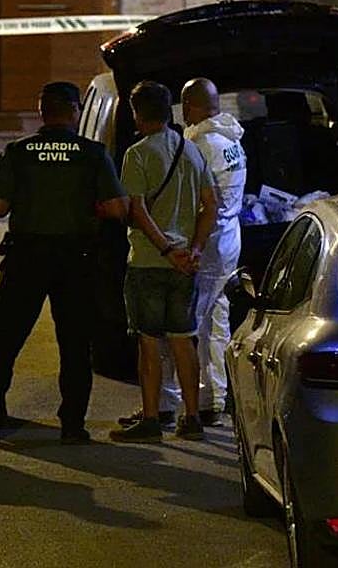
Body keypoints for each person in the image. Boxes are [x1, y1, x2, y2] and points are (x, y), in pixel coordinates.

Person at [0, 82, 128, 444]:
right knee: (75, 344)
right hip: (76, 259)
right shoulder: (92, 153)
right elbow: (119, 208)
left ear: (42, 111)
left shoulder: (19, 151)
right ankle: (73, 425)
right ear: (75, 111)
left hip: (26, 258)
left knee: (4, 341)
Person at [109, 81, 216, 443]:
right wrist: (195, 250)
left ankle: (152, 417)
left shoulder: (137, 154)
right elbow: (211, 205)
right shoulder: (191, 150)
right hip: (186, 264)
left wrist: (166, 250)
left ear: (137, 114)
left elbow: (136, 209)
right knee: (185, 341)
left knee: (150, 342)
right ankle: (191, 417)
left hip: (148, 262)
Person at [182, 78, 246, 426]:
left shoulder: (202, 145)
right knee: (217, 319)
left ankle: (196, 401)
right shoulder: (231, 139)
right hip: (229, 236)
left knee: (193, 322)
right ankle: (218, 395)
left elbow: (197, 201)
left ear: (191, 107)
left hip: (209, 240)